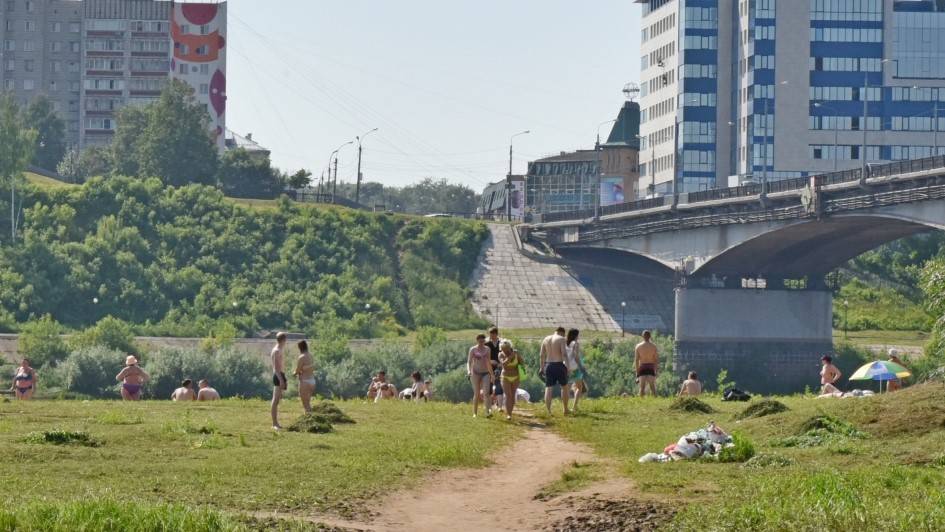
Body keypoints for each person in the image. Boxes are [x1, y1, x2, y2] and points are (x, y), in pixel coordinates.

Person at [539, 326, 570, 415]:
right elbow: (564, 354)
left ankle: (549, 411)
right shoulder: (561, 339)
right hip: (559, 364)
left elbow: (541, 355)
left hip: (548, 365)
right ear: (562, 333)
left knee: (548, 388)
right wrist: (567, 367)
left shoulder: (545, 339)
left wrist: (541, 367)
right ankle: (565, 409)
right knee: (564, 387)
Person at [467, 333, 494, 417]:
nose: (481, 343)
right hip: (475, 373)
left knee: (486, 393)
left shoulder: (487, 349)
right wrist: (468, 371)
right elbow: (469, 362)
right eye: (480, 341)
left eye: (483, 341)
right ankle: (475, 413)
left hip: (485, 372)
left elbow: (488, 362)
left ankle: (487, 412)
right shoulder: (473, 349)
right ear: (477, 340)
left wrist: (492, 374)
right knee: (477, 393)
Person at [498, 339, 524, 420]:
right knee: (508, 395)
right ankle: (508, 414)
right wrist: (510, 356)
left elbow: (522, 362)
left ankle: (510, 412)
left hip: (516, 377)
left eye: (506, 349)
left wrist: (518, 357)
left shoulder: (516, 353)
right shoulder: (500, 355)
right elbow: (504, 364)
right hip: (505, 377)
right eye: (503, 349)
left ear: (510, 347)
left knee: (512, 395)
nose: (505, 351)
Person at [566, 329, 588, 413]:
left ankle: (566, 406)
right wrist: (581, 366)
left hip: (567, 366)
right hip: (575, 367)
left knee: (567, 387)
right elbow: (576, 356)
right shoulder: (576, 344)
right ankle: (575, 406)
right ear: (576, 335)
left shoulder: (566, 343)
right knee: (579, 387)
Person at [270, 332, 288, 430]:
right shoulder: (277, 351)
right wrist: (281, 380)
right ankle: (274, 424)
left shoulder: (279, 349)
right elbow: (276, 368)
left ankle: (276, 423)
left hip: (280, 375)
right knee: (275, 400)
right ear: (283, 340)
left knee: (277, 400)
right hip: (278, 376)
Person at [634, 330, 659, 397]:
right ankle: (655, 401)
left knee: (642, 387)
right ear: (650, 336)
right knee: (652, 387)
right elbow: (656, 360)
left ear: (642, 336)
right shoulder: (654, 346)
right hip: (651, 366)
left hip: (642, 366)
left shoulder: (638, 346)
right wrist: (656, 371)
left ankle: (641, 402)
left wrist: (637, 372)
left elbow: (636, 360)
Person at [294, 340, 316, 414]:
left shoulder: (301, 357)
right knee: (308, 402)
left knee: (305, 403)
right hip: (312, 381)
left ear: (300, 347)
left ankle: (309, 419)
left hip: (304, 381)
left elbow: (298, 370)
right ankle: (309, 417)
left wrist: (294, 373)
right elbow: (312, 367)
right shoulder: (311, 355)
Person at [484, 326, 503, 409]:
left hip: (500, 367)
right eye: (490, 334)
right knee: (489, 385)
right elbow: (483, 356)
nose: (491, 336)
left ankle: (499, 406)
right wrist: (491, 361)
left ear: (496, 334)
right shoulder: (486, 344)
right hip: (489, 367)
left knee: (499, 384)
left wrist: (501, 363)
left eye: (492, 334)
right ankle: (489, 405)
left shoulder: (502, 343)